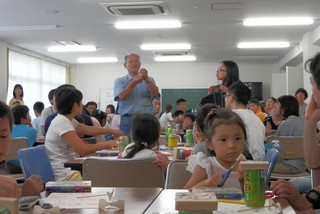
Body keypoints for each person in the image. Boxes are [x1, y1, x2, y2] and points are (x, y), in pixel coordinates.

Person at [45, 85, 123, 181]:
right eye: (81, 102)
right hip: (66, 175)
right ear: (74, 106)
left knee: (111, 174)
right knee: (111, 177)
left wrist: (112, 131)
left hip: (74, 169)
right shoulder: (61, 122)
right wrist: (108, 143)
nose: (82, 105)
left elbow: (89, 130)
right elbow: (83, 149)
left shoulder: (68, 120)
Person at [184, 108, 246, 189]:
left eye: (237, 138)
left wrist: (243, 183)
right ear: (210, 144)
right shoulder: (206, 167)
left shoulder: (246, 167)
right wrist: (204, 184)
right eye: (223, 140)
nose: (232, 145)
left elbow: (255, 198)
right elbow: (185, 193)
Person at [0, 101, 43, 198]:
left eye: (3, 136)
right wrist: (22, 194)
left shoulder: (10, 187)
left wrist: (21, 194)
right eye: (28, 115)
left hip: (9, 166)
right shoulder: (8, 188)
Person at [114, 53, 160, 136]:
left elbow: (155, 94)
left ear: (140, 64)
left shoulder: (149, 79)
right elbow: (121, 96)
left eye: (136, 61)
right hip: (127, 119)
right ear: (125, 65)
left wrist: (147, 80)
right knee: (126, 144)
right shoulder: (120, 81)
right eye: (131, 61)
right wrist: (134, 82)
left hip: (146, 119)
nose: (134, 63)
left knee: (147, 143)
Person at [225, 81, 265, 161]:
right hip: (259, 162)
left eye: (226, 96)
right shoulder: (255, 118)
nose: (225, 99)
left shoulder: (232, 117)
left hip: (245, 165)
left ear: (231, 98)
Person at [6, 105, 37, 173]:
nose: (30, 117)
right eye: (28, 115)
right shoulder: (33, 131)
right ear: (22, 120)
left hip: (10, 167)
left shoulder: (9, 131)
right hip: (27, 166)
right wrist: (30, 125)